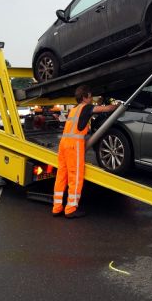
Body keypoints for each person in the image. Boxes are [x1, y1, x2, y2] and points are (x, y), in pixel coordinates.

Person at [53, 85, 119, 218]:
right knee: (75, 177)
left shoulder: (74, 109)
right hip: (74, 146)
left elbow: (93, 108)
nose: (91, 99)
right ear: (84, 97)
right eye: (90, 96)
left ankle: (57, 207)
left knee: (61, 176)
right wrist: (118, 106)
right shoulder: (87, 108)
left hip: (63, 145)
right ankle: (71, 209)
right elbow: (105, 109)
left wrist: (99, 102)